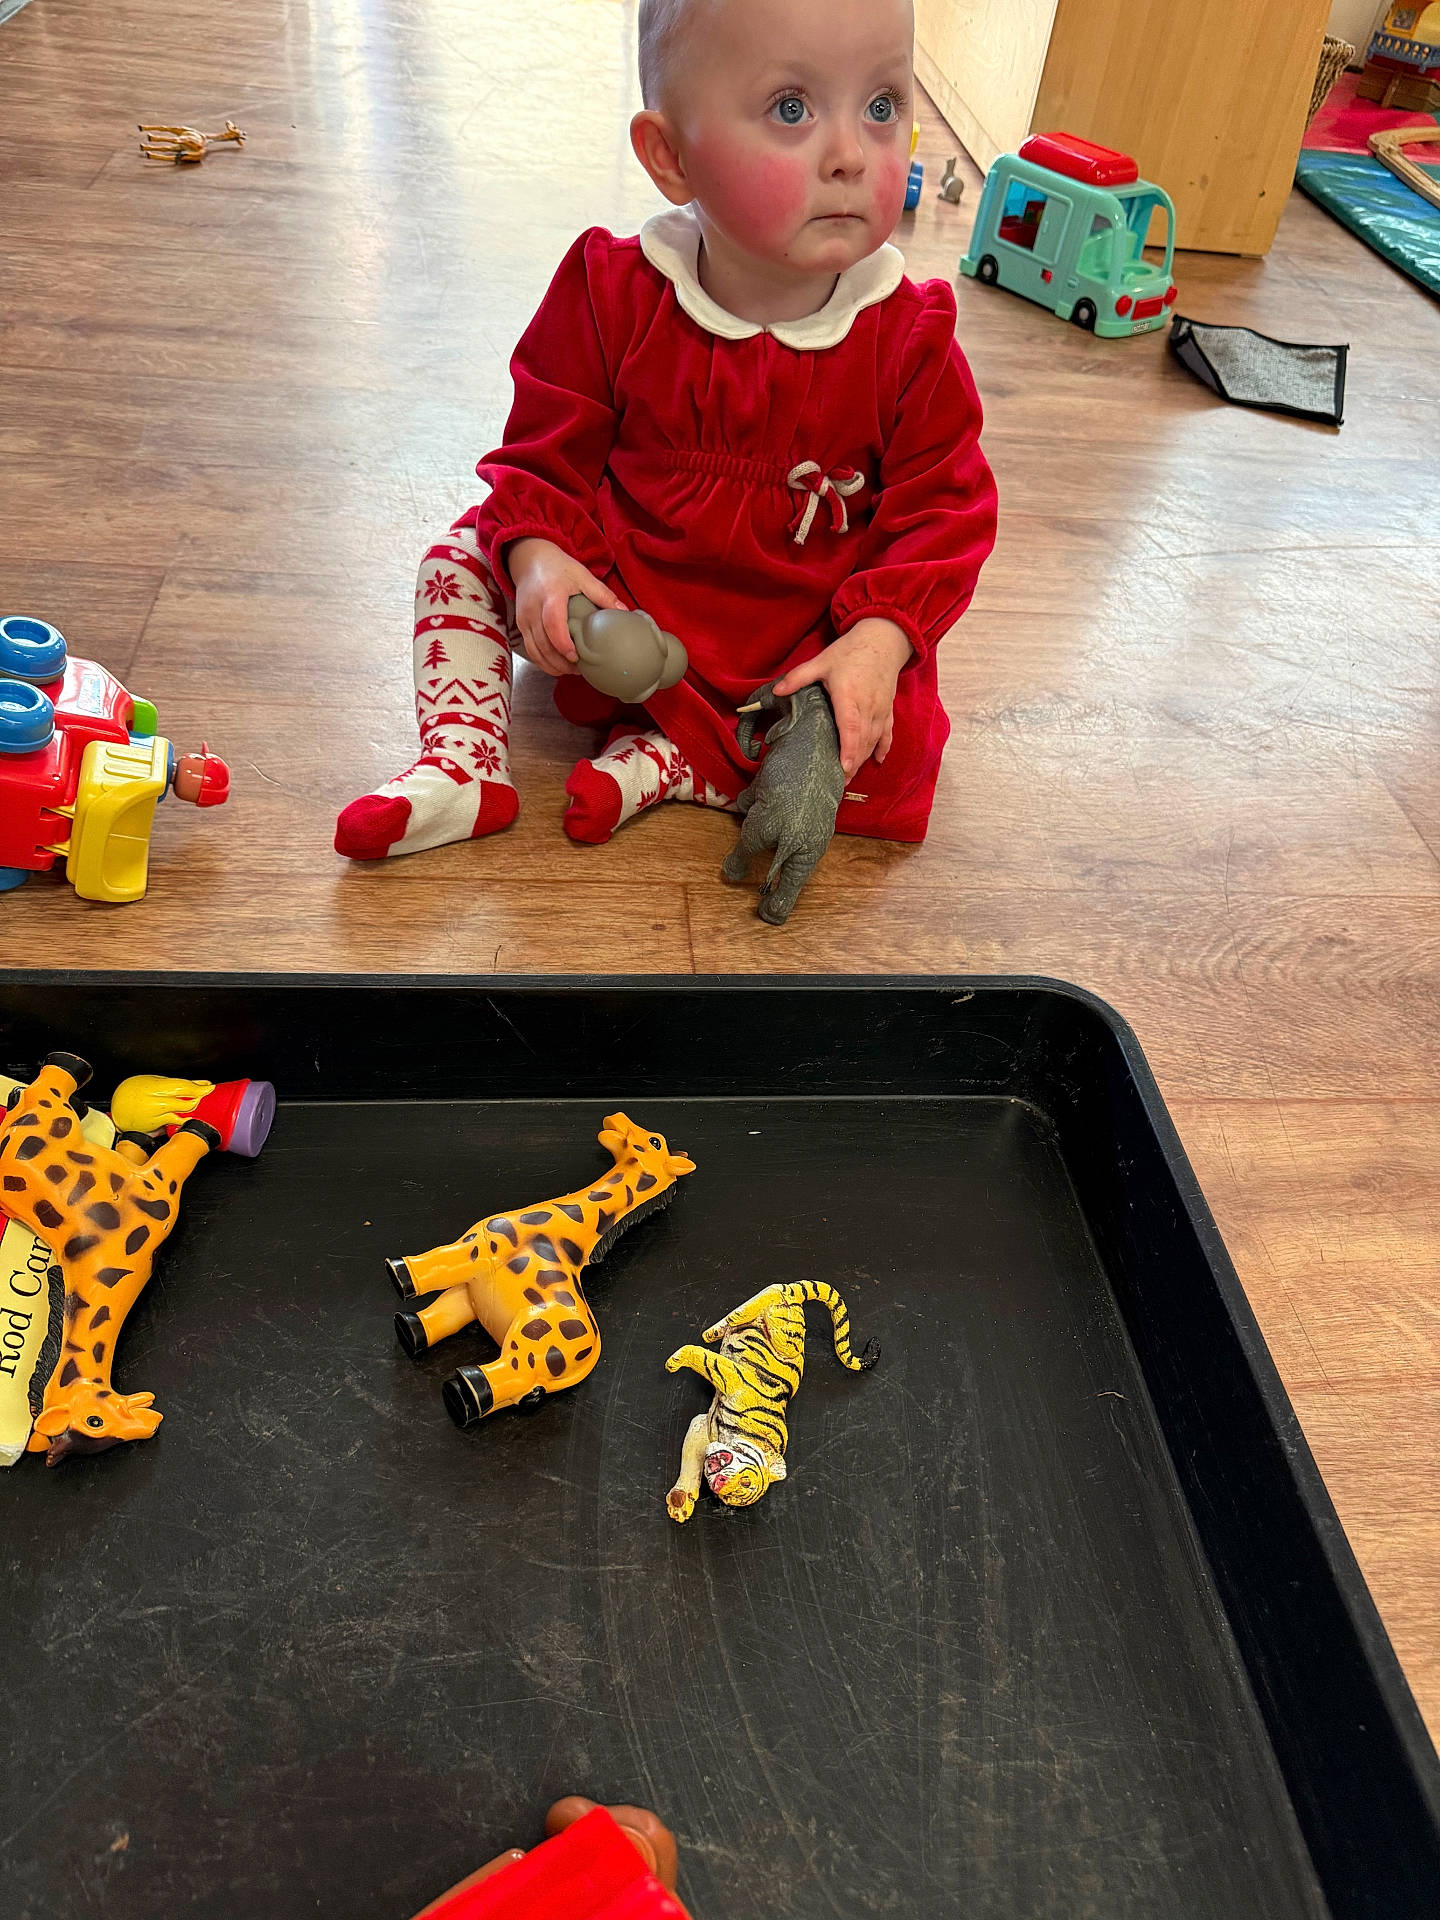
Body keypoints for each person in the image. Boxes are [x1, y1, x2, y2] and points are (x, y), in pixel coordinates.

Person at [335, 0, 995, 864]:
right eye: (792, 109)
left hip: (797, 640)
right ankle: (464, 763)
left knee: (885, 744)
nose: (849, 155)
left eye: (882, 106)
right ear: (670, 157)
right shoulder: (611, 294)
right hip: (633, 600)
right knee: (460, 560)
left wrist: (876, 644)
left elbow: (945, 515)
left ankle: (681, 763)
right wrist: (541, 560)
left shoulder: (910, 343)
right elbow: (542, 455)